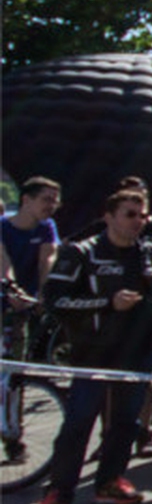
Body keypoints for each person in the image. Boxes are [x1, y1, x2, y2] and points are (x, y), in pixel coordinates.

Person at [25, 188, 152, 504]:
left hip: (140, 353)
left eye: (143, 215)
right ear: (109, 216)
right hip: (93, 355)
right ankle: (59, 492)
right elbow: (54, 300)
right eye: (130, 214)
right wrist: (106, 303)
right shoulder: (81, 253)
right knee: (78, 423)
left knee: (127, 422)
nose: (138, 222)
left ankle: (111, 480)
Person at [2, 177, 62, 462]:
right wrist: (11, 287)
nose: (52, 206)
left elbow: (47, 259)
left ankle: (13, 438)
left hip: (18, 311)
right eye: (46, 199)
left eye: (55, 200)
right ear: (26, 200)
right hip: (7, 296)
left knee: (14, 374)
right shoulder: (3, 227)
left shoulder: (46, 228)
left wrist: (41, 292)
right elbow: (4, 264)